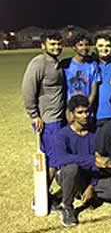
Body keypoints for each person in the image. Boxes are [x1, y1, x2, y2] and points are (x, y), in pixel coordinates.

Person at [54, 95, 111, 227]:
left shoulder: (96, 132)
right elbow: (61, 158)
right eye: (80, 112)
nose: (85, 115)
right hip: (70, 174)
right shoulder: (62, 135)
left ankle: (84, 193)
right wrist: (90, 160)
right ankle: (67, 206)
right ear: (72, 114)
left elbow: (101, 159)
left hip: (91, 176)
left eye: (87, 112)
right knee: (72, 168)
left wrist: (92, 185)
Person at [22, 31, 66, 210]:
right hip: (48, 122)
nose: (56, 47)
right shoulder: (38, 63)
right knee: (52, 161)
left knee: (55, 159)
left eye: (58, 44)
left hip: (58, 119)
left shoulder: (56, 64)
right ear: (43, 45)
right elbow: (27, 90)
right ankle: (40, 198)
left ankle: (45, 195)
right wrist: (34, 115)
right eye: (52, 44)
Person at [60, 33, 100, 106]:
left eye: (87, 44)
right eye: (80, 45)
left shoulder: (93, 65)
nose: (84, 47)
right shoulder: (66, 65)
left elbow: (94, 89)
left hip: (86, 107)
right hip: (70, 107)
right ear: (74, 47)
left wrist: (88, 105)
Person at [94, 34, 111, 127]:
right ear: (95, 46)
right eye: (100, 46)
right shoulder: (91, 64)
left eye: (108, 46)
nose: (104, 49)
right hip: (96, 115)